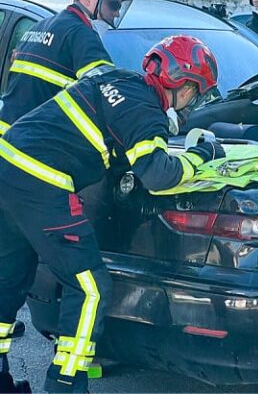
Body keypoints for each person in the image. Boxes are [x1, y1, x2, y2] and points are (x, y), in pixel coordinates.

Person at [0, 35, 225, 393]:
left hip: (6, 168)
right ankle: (65, 383)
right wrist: (201, 156)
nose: (192, 102)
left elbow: (102, 134)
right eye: (195, 92)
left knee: (9, 277)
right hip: (42, 182)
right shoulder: (145, 111)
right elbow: (158, 174)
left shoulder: (118, 81)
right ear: (182, 83)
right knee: (90, 288)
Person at [0, 0, 134, 136]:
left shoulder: (38, 28)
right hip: (36, 143)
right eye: (113, 4)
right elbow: (108, 88)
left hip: (9, 133)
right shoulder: (80, 34)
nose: (116, 13)